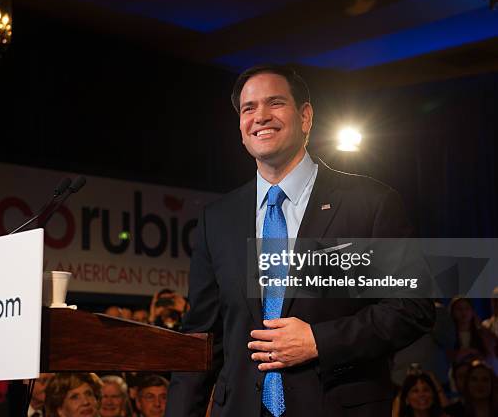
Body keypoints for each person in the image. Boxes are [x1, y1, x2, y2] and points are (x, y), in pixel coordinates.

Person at [165, 64, 436, 416]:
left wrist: (319, 341)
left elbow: (413, 306)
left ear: (305, 116)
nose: (260, 116)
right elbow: (201, 338)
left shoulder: (369, 202)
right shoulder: (217, 218)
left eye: (275, 103)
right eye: (249, 108)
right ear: (241, 128)